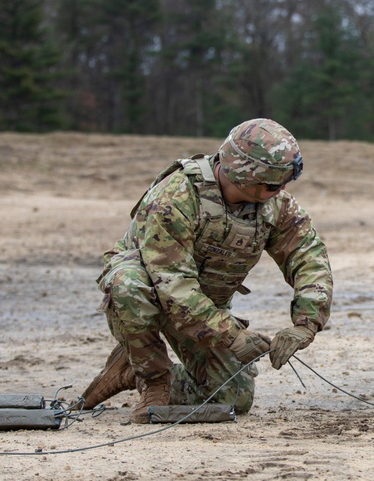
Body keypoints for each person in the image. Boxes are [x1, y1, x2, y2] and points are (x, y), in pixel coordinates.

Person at [80, 118, 333, 423]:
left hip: (206, 308)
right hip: (154, 297)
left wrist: (306, 323)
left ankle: (126, 371)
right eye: (274, 184)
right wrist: (231, 335)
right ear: (245, 176)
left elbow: (309, 257)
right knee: (128, 284)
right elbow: (173, 284)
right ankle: (153, 378)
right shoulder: (177, 197)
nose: (280, 191)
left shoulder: (275, 206)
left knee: (232, 399)